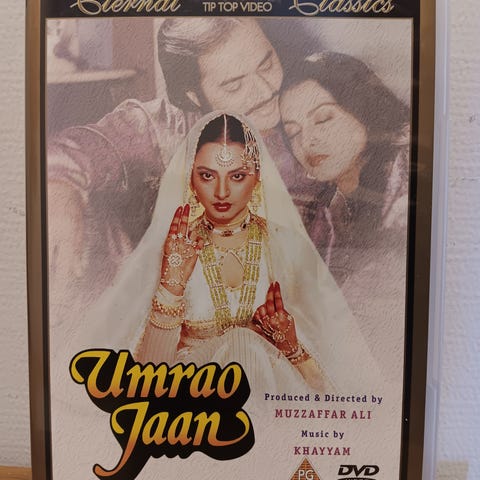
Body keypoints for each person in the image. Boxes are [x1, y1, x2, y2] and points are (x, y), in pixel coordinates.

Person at [79, 112, 381, 394]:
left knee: (247, 346)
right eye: (207, 176)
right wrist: (172, 288)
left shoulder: (287, 247)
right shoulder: (172, 250)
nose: (221, 192)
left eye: (237, 176)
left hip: (271, 394)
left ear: (257, 177)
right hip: (194, 403)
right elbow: (146, 378)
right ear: (190, 178)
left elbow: (328, 382)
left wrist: (291, 347)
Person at [48, 18, 315, 317]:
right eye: (234, 85)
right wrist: (60, 186)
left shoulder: (311, 111)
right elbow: (85, 145)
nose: (265, 90)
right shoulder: (166, 126)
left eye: (267, 65)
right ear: (193, 95)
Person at [279, 52, 410, 379]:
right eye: (293, 132)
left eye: (323, 119)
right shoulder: (327, 205)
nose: (307, 140)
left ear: (363, 108)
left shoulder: (408, 178)